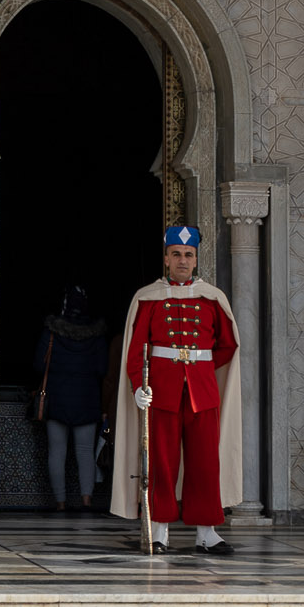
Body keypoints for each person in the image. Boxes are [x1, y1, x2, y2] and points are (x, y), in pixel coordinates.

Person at [110, 224, 241, 554]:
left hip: (201, 391)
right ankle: (160, 529)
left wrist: (202, 368)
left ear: (196, 259)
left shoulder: (212, 299)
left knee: (205, 463)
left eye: (189, 255)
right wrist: (140, 386)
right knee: (161, 463)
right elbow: (135, 347)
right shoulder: (148, 298)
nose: (183, 261)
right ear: (166, 258)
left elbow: (227, 345)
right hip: (162, 391)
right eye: (176, 254)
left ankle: (206, 532)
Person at [34, 285, 109, 512]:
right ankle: (87, 500)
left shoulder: (52, 333)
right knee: (85, 452)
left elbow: (38, 364)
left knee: (57, 451)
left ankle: (60, 502)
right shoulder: (96, 335)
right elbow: (102, 368)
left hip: (56, 398)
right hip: (87, 399)